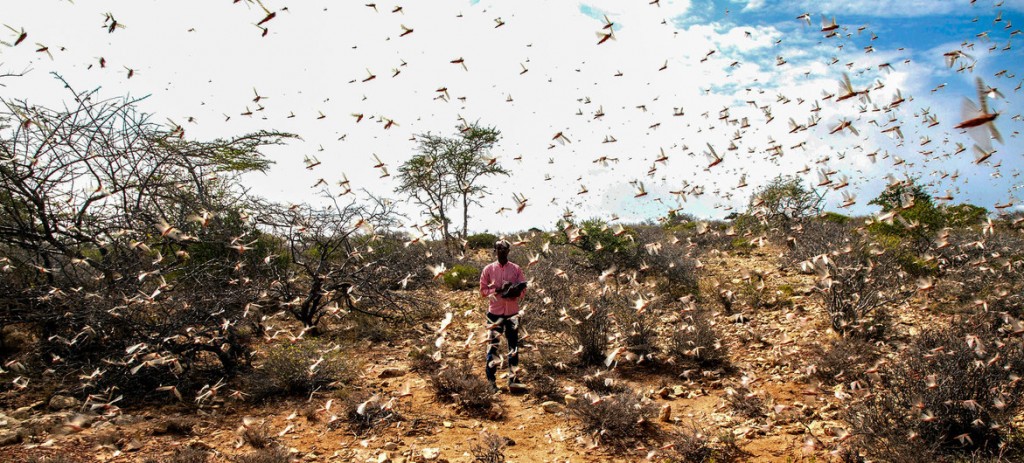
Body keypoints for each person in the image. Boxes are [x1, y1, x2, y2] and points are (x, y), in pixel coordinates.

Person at [479, 239, 527, 392]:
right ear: (495, 250)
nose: (501, 250)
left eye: (504, 248)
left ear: (509, 251)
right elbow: (483, 291)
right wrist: (500, 291)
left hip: (512, 313)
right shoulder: (488, 269)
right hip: (494, 314)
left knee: (513, 347)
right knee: (493, 347)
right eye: (498, 248)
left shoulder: (516, 269)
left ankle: (513, 380)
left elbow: (523, 289)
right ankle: (491, 382)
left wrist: (514, 291)